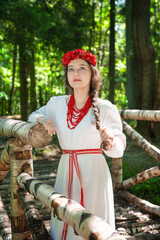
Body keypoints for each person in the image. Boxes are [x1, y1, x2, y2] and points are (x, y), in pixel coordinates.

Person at [28, 49, 126, 240]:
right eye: (71, 69)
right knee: (65, 215)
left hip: (94, 171)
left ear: (92, 74)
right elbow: (33, 115)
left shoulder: (105, 107)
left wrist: (110, 141)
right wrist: (43, 121)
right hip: (67, 169)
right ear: (67, 76)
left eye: (82, 68)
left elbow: (119, 149)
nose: (76, 73)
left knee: (94, 222)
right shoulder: (56, 104)